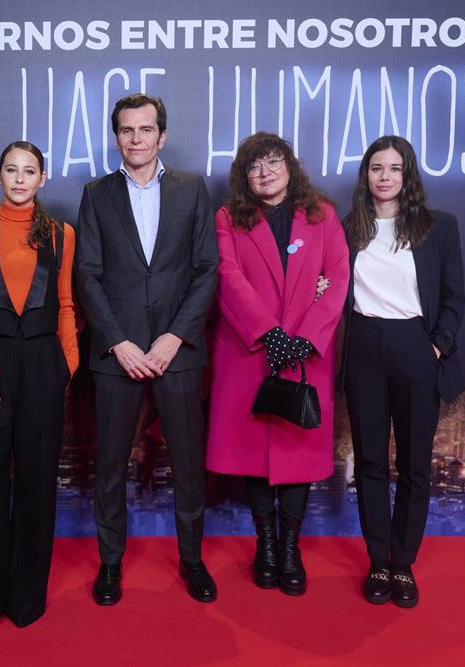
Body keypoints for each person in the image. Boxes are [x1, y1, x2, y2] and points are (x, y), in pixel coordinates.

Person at [76, 94, 219, 605]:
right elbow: (87, 275)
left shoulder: (191, 189)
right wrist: (119, 342)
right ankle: (110, 564)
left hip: (177, 352)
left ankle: (192, 560)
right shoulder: (96, 193)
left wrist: (174, 336)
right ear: (116, 136)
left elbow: (207, 268)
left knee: (186, 465)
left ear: (162, 135)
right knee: (110, 467)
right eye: (126, 130)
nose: (136, 139)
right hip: (118, 356)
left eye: (145, 129)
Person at [206, 132, 349, 595]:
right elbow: (227, 277)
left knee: (296, 455)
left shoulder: (322, 215)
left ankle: (290, 548)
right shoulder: (229, 218)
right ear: (243, 177)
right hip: (251, 352)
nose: (265, 171)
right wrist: (269, 333)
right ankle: (265, 544)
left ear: (290, 164)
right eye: (254, 166)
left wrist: (304, 339)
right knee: (253, 457)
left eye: (273, 161)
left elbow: (338, 277)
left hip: (305, 357)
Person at [0, 141, 78, 634]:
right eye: (12, 170)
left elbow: (67, 306)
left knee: (37, 481)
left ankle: (27, 599)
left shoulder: (62, 235)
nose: (21, 178)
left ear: (43, 179)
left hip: (45, 364)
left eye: (30, 171)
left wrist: (67, 365)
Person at [341, 135, 465, 608]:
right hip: (364, 349)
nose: (385, 176)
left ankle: (403, 563)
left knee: (414, 465)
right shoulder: (348, 227)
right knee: (371, 462)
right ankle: (377, 561)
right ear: (366, 174)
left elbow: (455, 297)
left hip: (417, 347)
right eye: (376, 167)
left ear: (407, 174)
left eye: (394, 168)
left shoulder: (439, 227)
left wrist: (436, 345)